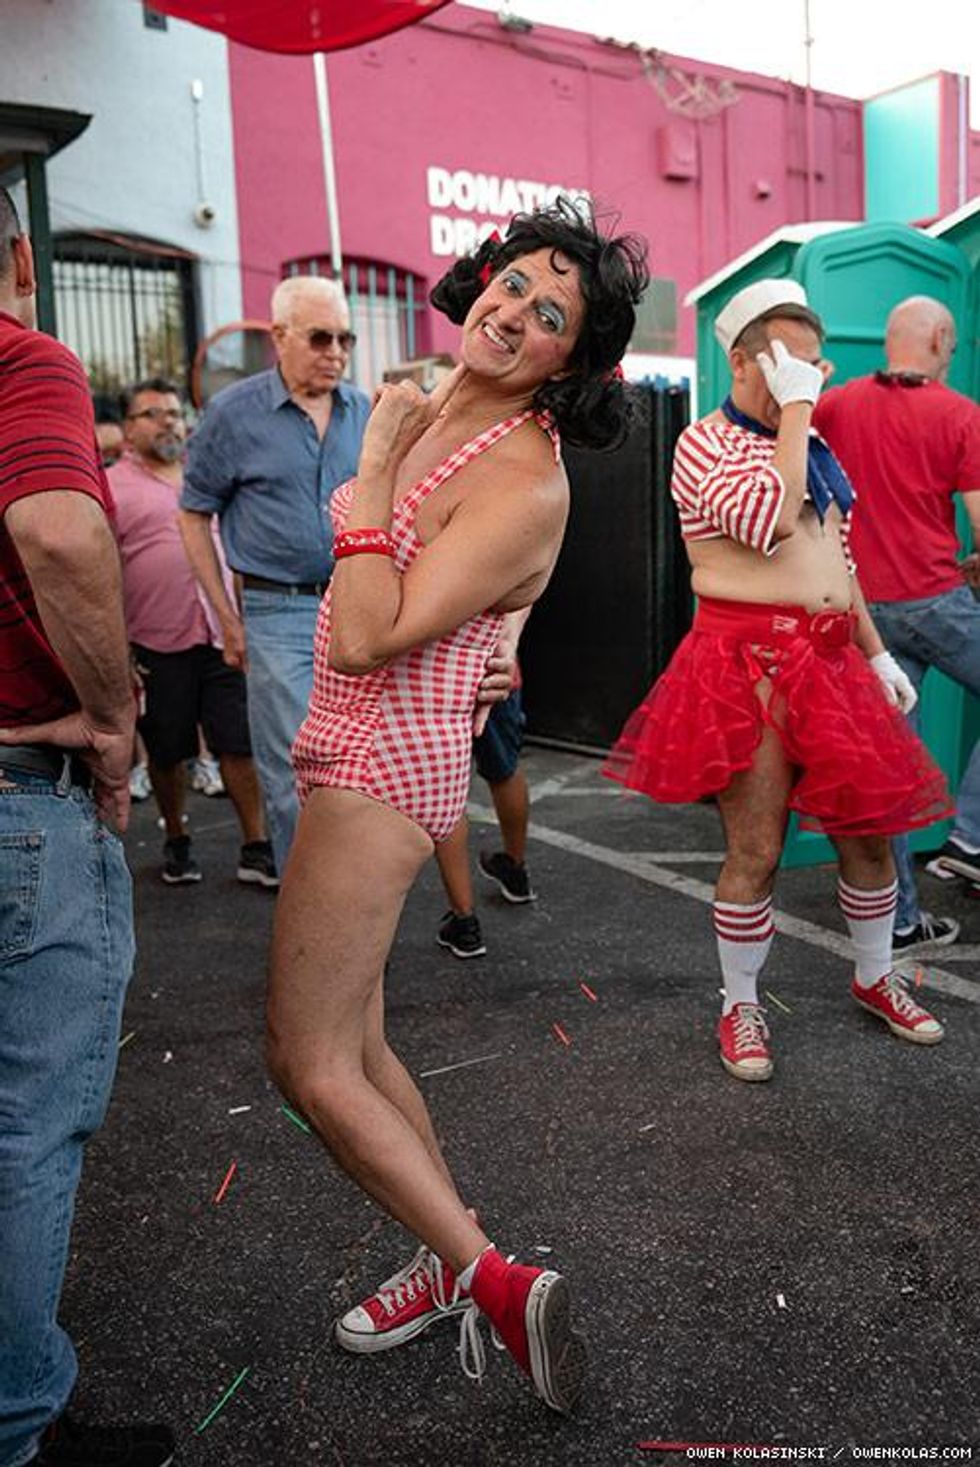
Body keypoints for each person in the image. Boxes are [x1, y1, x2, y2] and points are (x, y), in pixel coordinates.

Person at [267, 202, 648, 1410]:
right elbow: (477, 582)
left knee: (308, 1061)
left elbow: (377, 628)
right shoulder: (445, 407)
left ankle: (490, 1279)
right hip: (358, 736)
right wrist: (508, 624)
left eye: (552, 316)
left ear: (568, 363)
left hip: (383, 755)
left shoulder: (524, 472)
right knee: (362, 1045)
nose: (516, 312)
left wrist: (372, 467)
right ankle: (447, 1265)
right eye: (515, 283)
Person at [605, 279, 952, 1085]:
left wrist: (876, 653)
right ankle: (740, 1002)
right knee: (756, 848)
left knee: (868, 837)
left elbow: (839, 563)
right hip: (747, 668)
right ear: (741, 359)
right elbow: (767, 517)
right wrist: (799, 407)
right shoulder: (705, 444)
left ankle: (874, 976)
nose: (806, 375)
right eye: (785, 359)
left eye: (813, 362)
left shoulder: (815, 446)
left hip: (832, 662)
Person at [0, 188, 174, 1467]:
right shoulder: (22, 356)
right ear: (20, 253)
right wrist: (112, 719)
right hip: (20, 788)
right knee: (26, 1119)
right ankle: (16, 1426)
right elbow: (60, 535)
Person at [178, 277, 370, 875]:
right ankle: (306, 907)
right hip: (275, 613)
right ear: (280, 338)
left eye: (346, 338)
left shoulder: (364, 411)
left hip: (354, 606)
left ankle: (347, 905)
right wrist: (225, 621)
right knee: (295, 770)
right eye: (320, 338)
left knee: (356, 769)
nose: (335, 352)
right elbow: (192, 513)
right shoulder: (234, 414)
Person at [814, 296, 980, 945]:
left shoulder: (839, 403)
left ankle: (903, 918)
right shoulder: (960, 414)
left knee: (889, 768)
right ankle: (969, 835)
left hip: (863, 614)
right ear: (939, 338)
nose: (954, 352)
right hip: (936, 599)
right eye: (955, 343)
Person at [111, 376, 275, 887]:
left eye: (175, 412)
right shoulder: (111, 487)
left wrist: (245, 620)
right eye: (153, 414)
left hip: (221, 634)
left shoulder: (203, 475)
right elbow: (101, 570)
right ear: (127, 429)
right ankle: (177, 838)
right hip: (155, 641)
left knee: (237, 743)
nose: (169, 422)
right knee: (166, 749)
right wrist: (116, 646)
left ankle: (255, 845)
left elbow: (235, 553)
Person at [436, 609, 537, 959]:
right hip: (498, 664)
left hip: (439, 671)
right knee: (505, 770)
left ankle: (464, 921)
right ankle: (515, 868)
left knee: (447, 791)